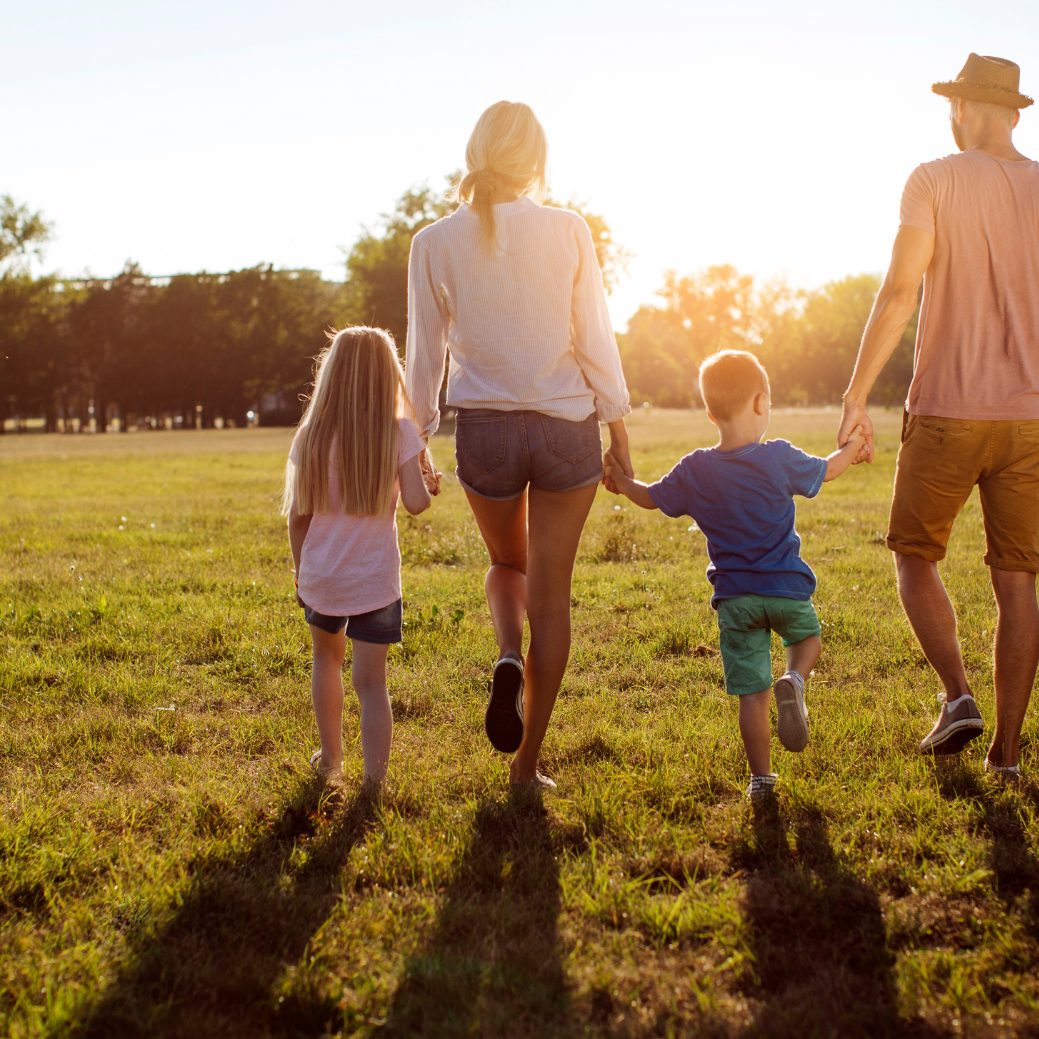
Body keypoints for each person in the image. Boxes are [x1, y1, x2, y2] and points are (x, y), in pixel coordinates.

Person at [405, 101, 631, 792]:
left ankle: (507, 654)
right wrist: (618, 427)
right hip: (566, 429)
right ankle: (526, 765)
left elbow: (424, 353)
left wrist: (417, 437)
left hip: (487, 432)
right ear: (534, 159)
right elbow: (594, 335)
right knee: (553, 597)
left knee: (508, 564)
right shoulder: (568, 229)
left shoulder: (433, 241)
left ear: (475, 153)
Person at [838, 53, 1039, 778]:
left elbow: (899, 293)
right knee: (1018, 582)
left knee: (913, 555)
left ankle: (957, 695)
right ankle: (1006, 754)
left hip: (947, 409)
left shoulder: (932, 178)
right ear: (1012, 112)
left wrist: (856, 394)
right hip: (1030, 420)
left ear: (959, 109)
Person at [605, 350, 865, 800]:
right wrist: (854, 448)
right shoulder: (779, 456)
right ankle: (796, 679)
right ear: (761, 402)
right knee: (807, 641)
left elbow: (651, 497)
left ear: (710, 414)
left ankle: (761, 779)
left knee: (753, 694)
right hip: (786, 589)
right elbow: (829, 470)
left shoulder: (696, 469)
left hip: (736, 600)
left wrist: (621, 482)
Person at [282, 326, 434, 794]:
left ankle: (331, 760)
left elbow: (298, 517)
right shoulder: (400, 431)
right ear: (388, 374)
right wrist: (427, 480)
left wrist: (300, 572)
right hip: (376, 581)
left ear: (333, 373)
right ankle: (373, 782)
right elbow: (417, 503)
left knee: (325, 662)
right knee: (372, 683)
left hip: (323, 576)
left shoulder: (311, 435)